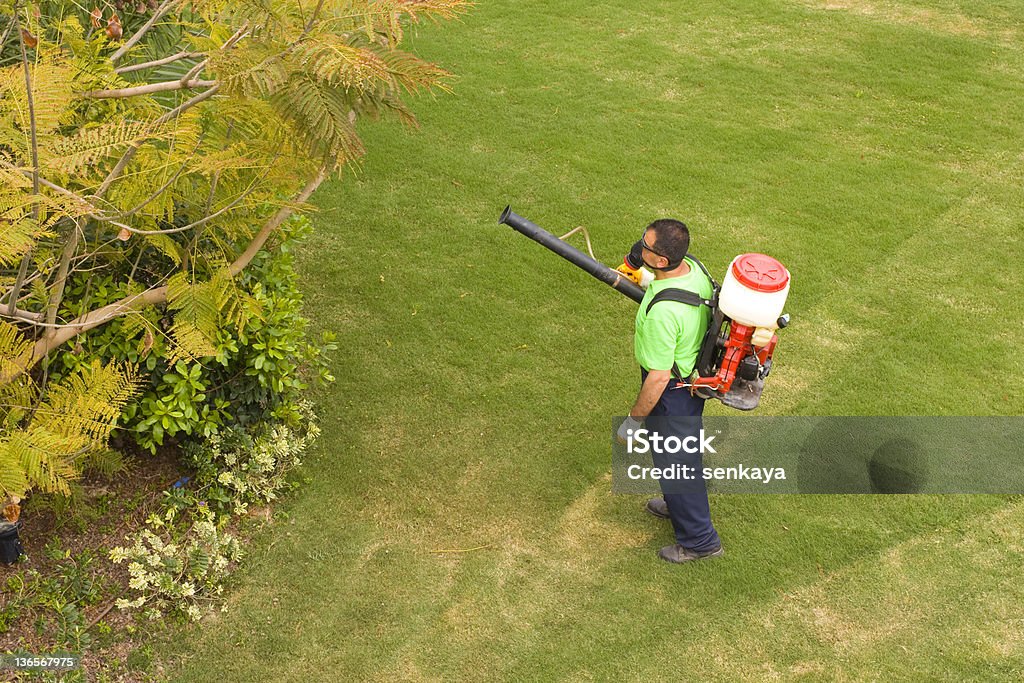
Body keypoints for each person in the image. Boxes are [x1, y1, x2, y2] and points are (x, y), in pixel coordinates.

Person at [616, 219, 723, 564]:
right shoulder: (692, 268)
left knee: (678, 462)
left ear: (662, 260)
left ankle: (700, 541)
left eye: (645, 246)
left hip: (672, 390)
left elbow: (658, 378)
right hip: (688, 380)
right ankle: (677, 503)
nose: (639, 248)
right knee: (674, 457)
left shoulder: (664, 315)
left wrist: (633, 421)